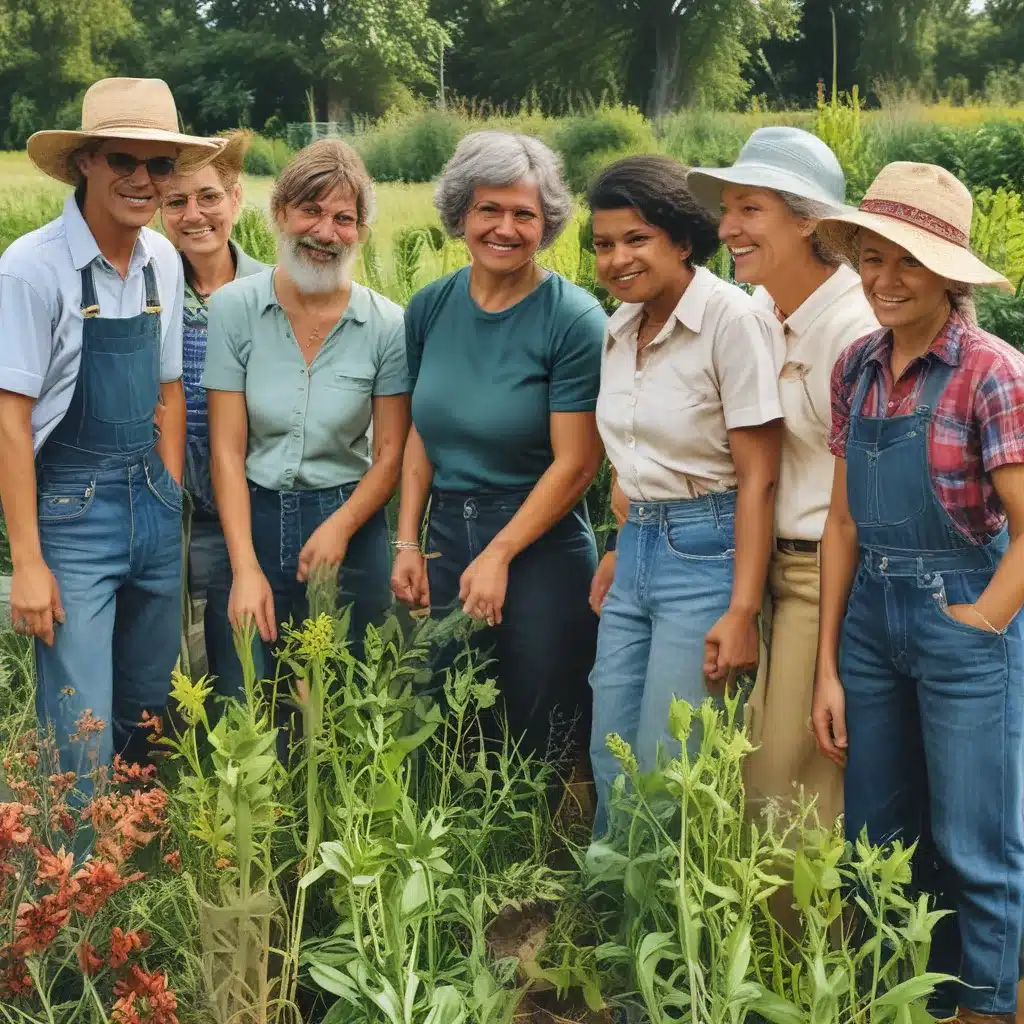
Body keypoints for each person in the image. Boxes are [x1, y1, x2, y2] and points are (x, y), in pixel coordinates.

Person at [811, 162, 1024, 1024]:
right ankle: (903, 1000)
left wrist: (982, 623)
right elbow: (841, 527)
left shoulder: (992, 372)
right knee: (875, 840)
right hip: (871, 623)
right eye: (870, 257)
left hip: (962, 614)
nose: (884, 280)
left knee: (977, 843)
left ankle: (983, 1007)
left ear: (948, 271)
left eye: (907, 261)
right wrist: (827, 664)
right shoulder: (856, 366)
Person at [0, 77, 223, 777]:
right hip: (71, 514)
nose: (142, 180)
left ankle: (138, 862)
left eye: (158, 165)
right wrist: (29, 563)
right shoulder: (32, 269)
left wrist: (167, 498)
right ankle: (73, 873)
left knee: (149, 706)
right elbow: (10, 421)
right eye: (123, 160)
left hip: (152, 507)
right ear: (85, 162)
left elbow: (167, 388)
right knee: (78, 721)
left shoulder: (161, 258)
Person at [390, 130, 606, 772]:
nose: (505, 228)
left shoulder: (573, 319)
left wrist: (499, 553)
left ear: (548, 224)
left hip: (540, 546)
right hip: (449, 536)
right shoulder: (429, 308)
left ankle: (548, 864)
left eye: (525, 214)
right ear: (462, 213)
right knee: (451, 724)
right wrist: (409, 541)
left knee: (541, 731)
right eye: (490, 209)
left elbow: (577, 464)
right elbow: (421, 431)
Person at [685, 127, 878, 830]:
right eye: (726, 209)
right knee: (742, 773)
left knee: (786, 786)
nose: (727, 228)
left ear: (809, 221)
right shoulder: (763, 313)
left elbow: (856, 502)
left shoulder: (854, 329)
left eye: (749, 209)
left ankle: (812, 940)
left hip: (820, 576)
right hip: (757, 567)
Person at [586, 155, 783, 836]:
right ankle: (610, 922)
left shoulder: (731, 321)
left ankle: (667, 932)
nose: (617, 259)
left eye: (636, 239)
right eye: (603, 244)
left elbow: (759, 476)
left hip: (709, 549)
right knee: (609, 750)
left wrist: (743, 608)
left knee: (670, 762)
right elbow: (631, 454)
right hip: (637, 545)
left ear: (680, 239)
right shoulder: (620, 328)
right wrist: (622, 546)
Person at [203, 139, 410, 688]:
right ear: (280, 213)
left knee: (348, 702)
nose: (325, 232)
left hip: (352, 519)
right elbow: (225, 450)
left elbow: (391, 453)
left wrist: (339, 528)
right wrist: (245, 568)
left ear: (361, 231)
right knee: (242, 691)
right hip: (254, 521)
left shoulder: (389, 326)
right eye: (310, 210)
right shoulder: (234, 309)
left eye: (344, 218)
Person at [159, 130, 269, 693]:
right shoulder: (146, 290)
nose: (193, 215)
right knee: (169, 658)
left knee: (243, 659)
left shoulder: (273, 290)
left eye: (208, 197)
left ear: (235, 199)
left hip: (251, 504)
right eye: (175, 202)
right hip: (169, 505)